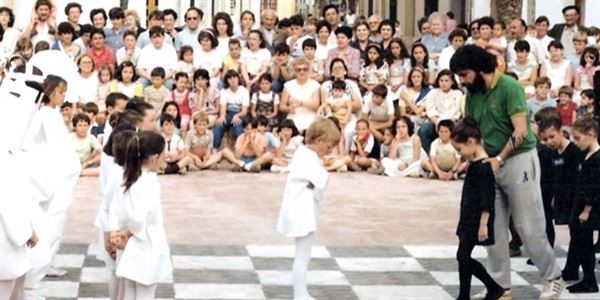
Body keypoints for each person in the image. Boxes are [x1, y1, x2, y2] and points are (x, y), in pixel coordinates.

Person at [449, 45, 564, 300]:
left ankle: (553, 277)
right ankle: (500, 286)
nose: (462, 81)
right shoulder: (473, 94)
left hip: (518, 159)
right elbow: (471, 129)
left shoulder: (509, 88)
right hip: (488, 163)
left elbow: (520, 131)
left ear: (480, 69)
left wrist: (500, 158)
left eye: (465, 74)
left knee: (527, 224)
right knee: (493, 228)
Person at [22, 75, 81, 298]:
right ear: (50, 92)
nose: (63, 96)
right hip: (54, 176)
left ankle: (46, 261)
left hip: (55, 174)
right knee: (52, 219)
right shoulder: (46, 115)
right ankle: (39, 266)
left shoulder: (50, 114)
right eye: (60, 92)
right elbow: (57, 148)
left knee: (54, 219)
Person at [276, 118, 340, 300]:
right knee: (302, 255)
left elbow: (316, 183)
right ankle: (300, 294)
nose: (329, 151)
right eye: (328, 147)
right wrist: (323, 173)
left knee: (304, 253)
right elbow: (320, 179)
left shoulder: (306, 155)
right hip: (301, 212)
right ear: (319, 141)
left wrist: (318, 178)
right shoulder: (306, 157)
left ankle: (301, 292)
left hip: (304, 209)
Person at [110, 130, 172, 299]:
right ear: (154, 157)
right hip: (145, 245)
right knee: (145, 294)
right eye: (163, 154)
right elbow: (139, 217)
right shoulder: (150, 181)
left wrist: (117, 232)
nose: (165, 157)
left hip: (128, 247)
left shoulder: (128, 177)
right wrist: (127, 233)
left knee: (129, 294)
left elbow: (117, 209)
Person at [449, 117, 505, 300]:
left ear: (471, 142)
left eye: (460, 149)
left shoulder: (483, 168)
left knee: (463, 257)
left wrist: (483, 224)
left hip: (476, 220)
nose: (459, 153)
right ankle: (464, 294)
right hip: (468, 217)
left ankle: (494, 287)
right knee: (462, 257)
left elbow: (487, 199)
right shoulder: (474, 165)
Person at [563, 117, 600, 294]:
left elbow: (595, 187)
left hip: (587, 209)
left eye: (578, 138)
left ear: (591, 135)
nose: (575, 143)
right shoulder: (589, 156)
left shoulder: (596, 159)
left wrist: (586, 210)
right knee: (580, 241)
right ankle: (586, 278)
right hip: (581, 205)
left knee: (584, 243)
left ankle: (589, 280)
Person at [419, 69, 463, 154]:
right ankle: (428, 156)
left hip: (452, 122)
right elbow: (430, 111)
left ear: (452, 82)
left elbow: (457, 111)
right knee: (424, 129)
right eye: (441, 80)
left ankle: (458, 156)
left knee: (460, 128)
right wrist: (437, 122)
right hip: (436, 122)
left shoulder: (458, 93)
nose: (443, 83)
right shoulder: (433, 93)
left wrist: (447, 123)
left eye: (446, 81)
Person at [279, 57, 321, 132]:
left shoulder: (315, 85)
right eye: (299, 70)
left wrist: (301, 103)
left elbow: (316, 106)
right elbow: (281, 106)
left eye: (305, 69)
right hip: (294, 115)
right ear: (294, 71)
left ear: (308, 71)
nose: (302, 72)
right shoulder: (288, 85)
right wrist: (289, 108)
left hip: (310, 115)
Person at [213, 70, 249, 151]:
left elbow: (244, 111)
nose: (232, 80)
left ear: (238, 78)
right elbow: (223, 109)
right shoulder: (224, 91)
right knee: (218, 127)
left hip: (240, 114)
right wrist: (222, 116)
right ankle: (214, 150)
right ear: (226, 81)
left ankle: (239, 151)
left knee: (238, 129)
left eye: (234, 77)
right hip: (227, 113)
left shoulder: (244, 91)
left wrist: (237, 115)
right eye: (229, 78)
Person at [171, 72, 193, 138]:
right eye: (181, 82)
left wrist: (192, 118)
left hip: (185, 115)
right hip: (174, 115)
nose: (183, 85)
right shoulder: (171, 94)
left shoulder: (190, 95)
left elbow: (193, 108)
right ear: (176, 82)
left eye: (185, 83)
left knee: (183, 123)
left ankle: (184, 143)